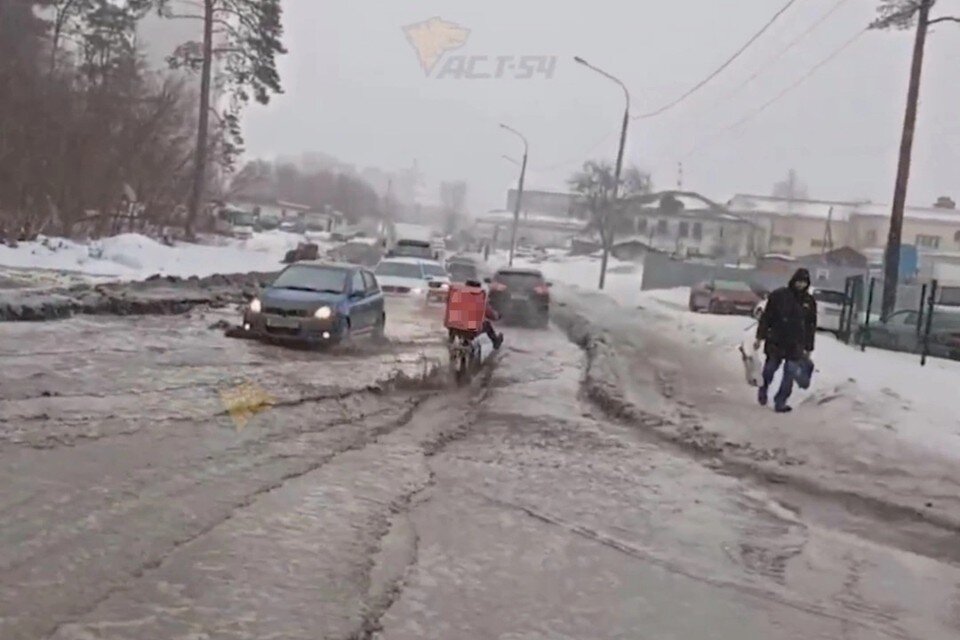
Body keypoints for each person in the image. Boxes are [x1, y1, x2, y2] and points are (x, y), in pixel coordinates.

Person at [755, 268, 817, 413]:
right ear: (793, 280)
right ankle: (763, 388)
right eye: (799, 281)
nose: (801, 285)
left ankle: (780, 401)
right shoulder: (779, 295)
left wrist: (809, 347)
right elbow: (766, 318)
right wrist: (760, 336)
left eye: (804, 282)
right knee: (770, 369)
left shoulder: (809, 302)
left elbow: (811, 325)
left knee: (789, 373)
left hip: (796, 343)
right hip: (776, 339)